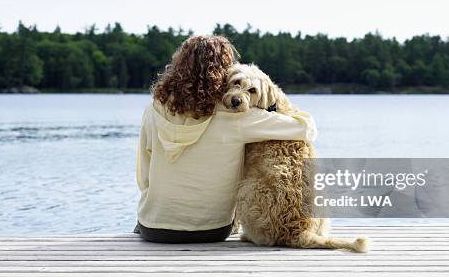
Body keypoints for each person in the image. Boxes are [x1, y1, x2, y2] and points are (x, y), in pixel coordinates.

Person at [135, 35, 317, 243]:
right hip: (212, 230)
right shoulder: (237, 116)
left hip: (154, 228)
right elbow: (307, 129)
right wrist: (275, 102)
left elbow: (143, 176)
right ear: (223, 73)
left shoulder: (153, 109)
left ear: (177, 66)